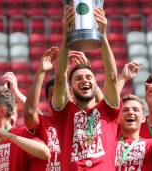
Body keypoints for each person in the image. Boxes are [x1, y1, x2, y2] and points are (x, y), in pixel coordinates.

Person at [51, 5, 121, 170]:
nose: (85, 80)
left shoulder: (108, 111)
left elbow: (112, 77)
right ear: (71, 86)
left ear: (96, 83)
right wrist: (66, 37)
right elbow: (60, 78)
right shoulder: (64, 113)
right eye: (78, 78)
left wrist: (103, 35)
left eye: (89, 77)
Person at [23, 46, 63, 171]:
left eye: (60, 93)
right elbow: (30, 113)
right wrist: (41, 72)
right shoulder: (42, 123)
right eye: (52, 95)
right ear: (47, 99)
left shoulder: (77, 122)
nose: (56, 98)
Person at [115, 85, 152, 170]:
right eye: (125, 110)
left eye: (135, 110)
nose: (130, 112)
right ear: (118, 117)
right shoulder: (110, 144)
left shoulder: (150, 145)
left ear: (143, 118)